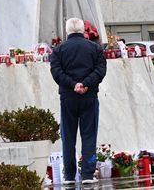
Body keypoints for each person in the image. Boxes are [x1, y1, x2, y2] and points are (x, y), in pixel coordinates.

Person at [49, 17, 107, 185]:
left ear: (67, 31)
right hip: (89, 97)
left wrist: (73, 85)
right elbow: (100, 70)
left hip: (68, 97)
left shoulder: (59, 51)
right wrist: (86, 84)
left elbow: (56, 72)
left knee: (68, 137)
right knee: (89, 135)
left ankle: (69, 176)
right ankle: (88, 174)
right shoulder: (95, 49)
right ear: (83, 30)